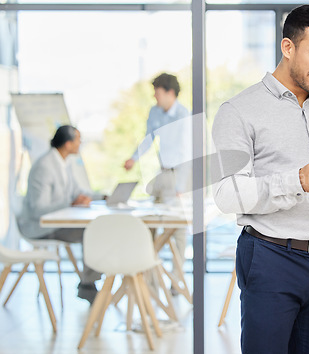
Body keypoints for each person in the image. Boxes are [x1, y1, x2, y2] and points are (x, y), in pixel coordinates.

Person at [212, 5, 309, 353]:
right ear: (288, 47)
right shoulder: (238, 111)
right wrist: (296, 180)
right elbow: (226, 194)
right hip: (270, 258)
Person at [17, 125, 104, 304]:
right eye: (78, 139)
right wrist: (70, 204)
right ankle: (88, 285)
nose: (81, 143)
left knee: (94, 230)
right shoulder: (45, 166)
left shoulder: (64, 163)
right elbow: (38, 209)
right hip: (37, 227)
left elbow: (77, 192)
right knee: (92, 232)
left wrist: (103, 196)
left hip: (55, 224)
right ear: (67, 143)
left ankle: (88, 282)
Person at [124, 73, 192, 286]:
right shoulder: (155, 112)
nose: (155, 97)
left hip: (179, 175)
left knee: (178, 230)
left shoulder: (184, 115)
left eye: (158, 93)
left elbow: (190, 153)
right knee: (152, 223)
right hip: (163, 175)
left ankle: (176, 280)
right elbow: (148, 138)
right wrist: (134, 159)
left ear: (170, 93)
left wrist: (182, 186)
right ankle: (151, 277)